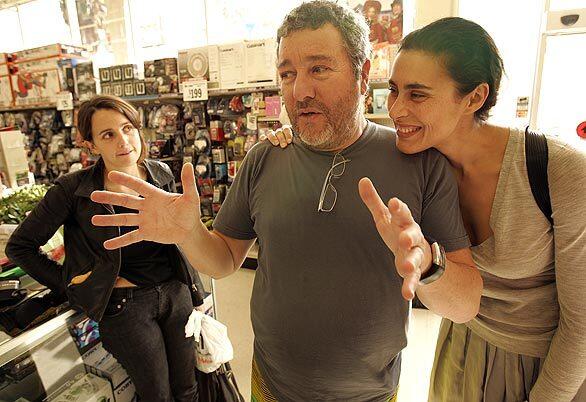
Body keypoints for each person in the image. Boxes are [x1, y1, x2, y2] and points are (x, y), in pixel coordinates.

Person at [90, 2, 482, 401]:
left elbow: (465, 304)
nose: (300, 90)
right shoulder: (265, 157)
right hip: (271, 385)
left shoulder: (420, 163)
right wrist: (189, 233)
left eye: (319, 68)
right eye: (287, 73)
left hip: (370, 394)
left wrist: (430, 267)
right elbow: (223, 259)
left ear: (362, 74)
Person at [265, 16, 586, 402]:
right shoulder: (422, 163)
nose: (396, 109)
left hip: (547, 368)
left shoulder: (560, 171)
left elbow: (581, 327)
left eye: (417, 95)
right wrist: (289, 136)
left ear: (474, 98)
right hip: (459, 352)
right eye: (394, 91)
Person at [5, 95, 205, 402]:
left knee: (188, 388)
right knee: (157, 396)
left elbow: (179, 238)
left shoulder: (160, 174)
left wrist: (195, 293)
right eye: (108, 134)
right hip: (126, 307)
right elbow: (21, 246)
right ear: (91, 145)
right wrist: (71, 284)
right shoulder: (73, 189)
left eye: (128, 128)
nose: (123, 141)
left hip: (175, 295)